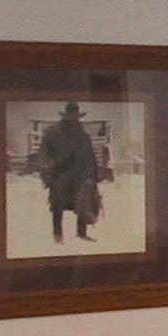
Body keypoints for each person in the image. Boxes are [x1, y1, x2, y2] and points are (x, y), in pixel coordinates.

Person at [35, 102, 104, 242]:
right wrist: (48, 169)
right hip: (59, 174)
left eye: (76, 117)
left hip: (79, 176)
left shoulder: (82, 135)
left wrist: (93, 176)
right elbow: (43, 153)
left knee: (82, 202)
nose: (74, 119)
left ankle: (81, 233)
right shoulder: (52, 132)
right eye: (71, 116)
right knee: (57, 205)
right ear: (66, 116)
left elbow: (90, 156)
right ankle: (57, 234)